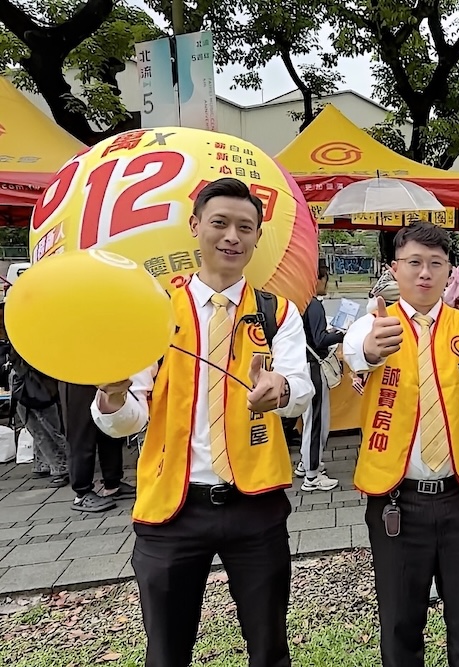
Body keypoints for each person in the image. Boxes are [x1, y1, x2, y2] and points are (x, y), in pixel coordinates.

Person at [91, 177, 314, 667]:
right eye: (220, 223)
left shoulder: (277, 312)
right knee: (167, 652)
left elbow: (299, 389)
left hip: (256, 505)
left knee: (270, 648)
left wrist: (281, 391)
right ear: (196, 227)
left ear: (257, 237)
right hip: (172, 507)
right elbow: (129, 418)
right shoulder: (154, 309)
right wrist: (111, 397)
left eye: (245, 227)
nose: (232, 236)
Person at [343, 222, 459, 667]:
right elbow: (356, 349)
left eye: (436, 264)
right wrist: (371, 349)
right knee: (399, 621)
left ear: (450, 271)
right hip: (398, 501)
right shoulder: (374, 325)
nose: (424, 274)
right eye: (414, 263)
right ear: (394, 269)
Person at [296, 262, 344, 491]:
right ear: (317, 279)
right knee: (317, 422)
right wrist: (341, 334)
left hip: (302, 365)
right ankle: (312, 475)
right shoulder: (313, 304)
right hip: (313, 367)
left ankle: (304, 465)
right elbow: (319, 339)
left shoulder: (297, 303)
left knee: (308, 421)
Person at [60, 382, 130, 512]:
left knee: (109, 425)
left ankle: (113, 484)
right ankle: (82, 493)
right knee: (81, 433)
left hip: (100, 373)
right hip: (75, 374)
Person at [9, 344, 68, 487]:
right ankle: (46, 463)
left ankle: (62, 465)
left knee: (46, 426)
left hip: (36, 381)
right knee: (36, 426)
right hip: (26, 380)